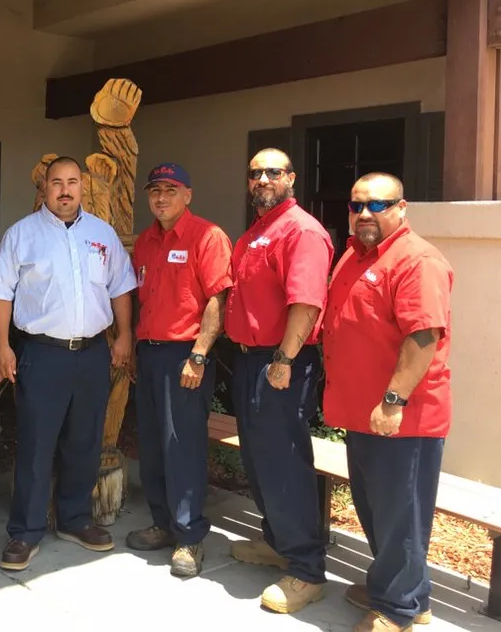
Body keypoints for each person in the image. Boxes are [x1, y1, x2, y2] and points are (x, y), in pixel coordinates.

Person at [322, 173, 452, 632]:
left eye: (378, 205)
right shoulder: (353, 257)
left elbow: (423, 336)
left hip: (402, 419)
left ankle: (399, 609)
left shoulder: (417, 261)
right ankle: (399, 589)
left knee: (401, 515)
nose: (364, 214)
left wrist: (393, 401)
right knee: (376, 508)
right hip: (362, 413)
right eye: (357, 206)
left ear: (403, 207)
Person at [0, 156, 136, 571]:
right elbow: (3, 294)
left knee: (85, 440)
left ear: (82, 187)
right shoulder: (22, 235)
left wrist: (124, 335)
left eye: (73, 182)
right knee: (37, 444)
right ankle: (25, 532)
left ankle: (74, 520)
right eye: (57, 182)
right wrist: (3, 346)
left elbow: (121, 287)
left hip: (91, 353)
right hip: (41, 353)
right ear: (45, 187)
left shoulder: (102, 234)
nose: (65, 190)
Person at [224, 147, 334, 613]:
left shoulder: (301, 231)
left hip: (282, 361)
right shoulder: (257, 231)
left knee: (285, 464)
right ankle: (280, 544)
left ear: (291, 177)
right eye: (255, 173)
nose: (263, 179)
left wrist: (285, 359)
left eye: (272, 171)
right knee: (259, 457)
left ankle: (307, 570)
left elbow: (306, 303)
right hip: (251, 362)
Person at [126, 163, 233, 578]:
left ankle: (189, 537)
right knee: (151, 444)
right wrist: (135, 348)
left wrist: (200, 354)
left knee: (182, 445)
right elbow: (141, 300)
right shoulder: (146, 242)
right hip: (149, 354)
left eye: (171, 189)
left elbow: (218, 300)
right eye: (155, 190)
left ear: (187, 194)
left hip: (185, 356)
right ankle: (163, 523)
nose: (161, 197)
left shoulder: (206, 236)